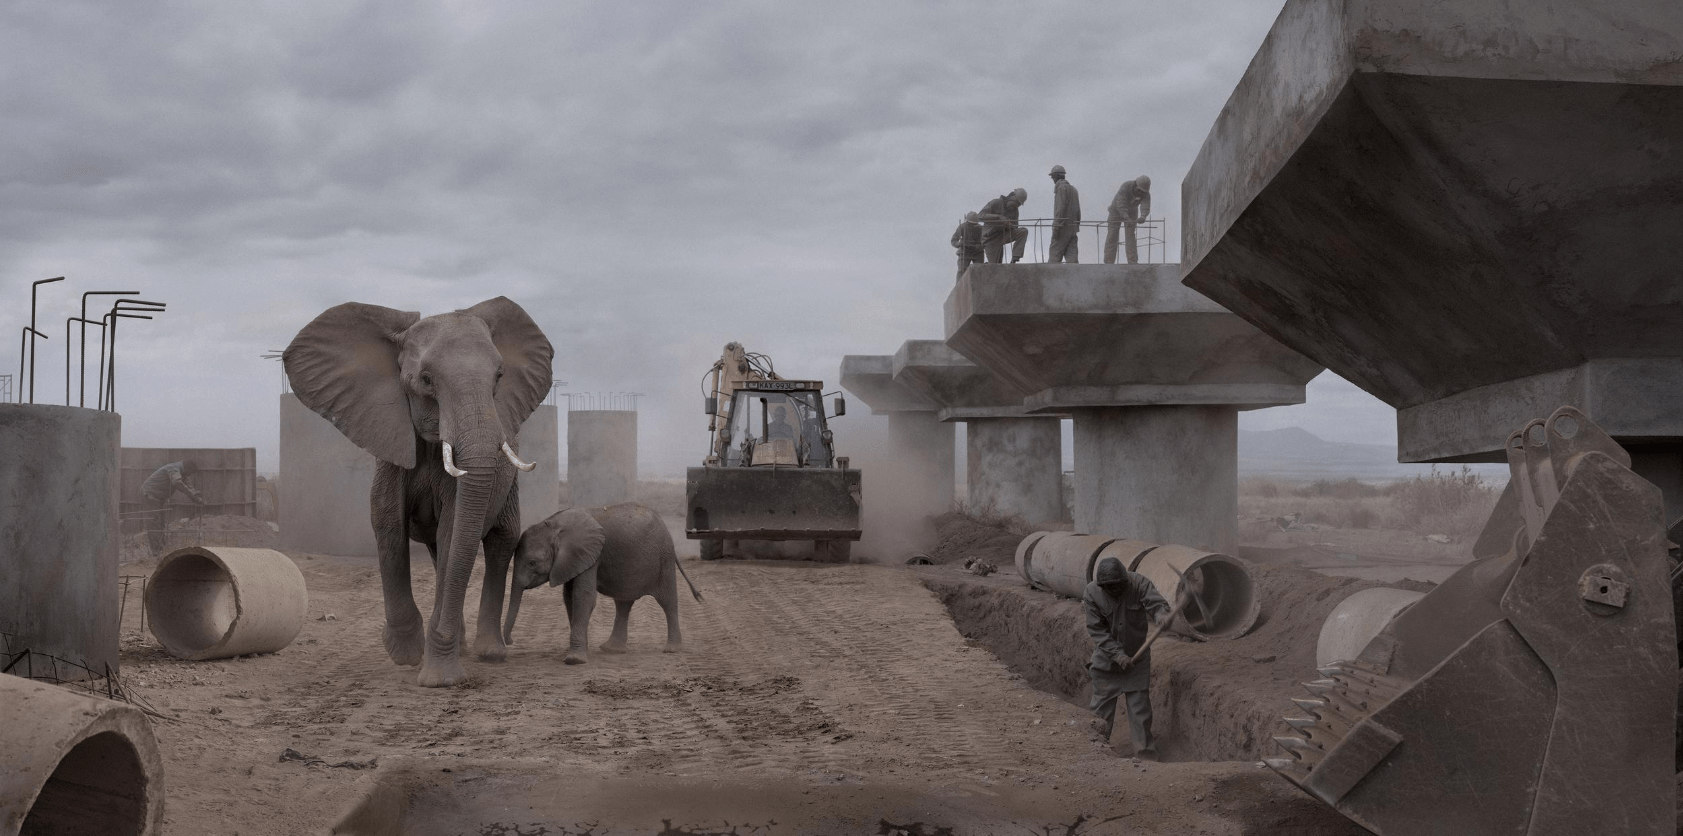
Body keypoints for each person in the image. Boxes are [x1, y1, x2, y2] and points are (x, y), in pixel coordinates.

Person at [1084, 555, 1171, 758]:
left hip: (1137, 661)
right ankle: (1096, 755)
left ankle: (1146, 757)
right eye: (1110, 587)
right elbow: (1097, 631)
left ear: (1125, 580)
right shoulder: (1091, 593)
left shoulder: (1138, 583)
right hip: (1106, 663)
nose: (1115, 590)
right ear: (1102, 586)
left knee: (1140, 712)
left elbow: (1156, 603)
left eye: (1119, 585)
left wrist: (1161, 614)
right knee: (1100, 715)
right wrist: (1117, 655)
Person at [142, 459, 205, 555]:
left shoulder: (183, 473)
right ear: (186, 469)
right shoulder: (174, 469)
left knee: (161, 524)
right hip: (150, 495)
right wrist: (193, 495)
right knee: (154, 524)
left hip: (159, 498)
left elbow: (190, 487)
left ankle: (162, 550)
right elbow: (177, 483)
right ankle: (157, 554)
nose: (189, 476)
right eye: (189, 473)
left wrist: (196, 498)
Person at [1104, 175, 1151, 264]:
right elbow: (1121, 204)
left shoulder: (1145, 192)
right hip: (1116, 212)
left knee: (1130, 237)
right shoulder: (1126, 186)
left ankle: (1132, 262)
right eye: (1139, 190)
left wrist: (1143, 216)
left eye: (1143, 192)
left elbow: (1146, 205)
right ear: (1135, 184)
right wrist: (1126, 218)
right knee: (1112, 236)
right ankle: (1108, 262)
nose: (1140, 193)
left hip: (1132, 213)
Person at [977, 187, 1029, 264]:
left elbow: (1015, 227)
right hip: (990, 239)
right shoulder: (996, 203)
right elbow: (979, 216)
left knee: (1023, 231)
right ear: (1012, 196)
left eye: (1018, 205)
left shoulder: (1014, 211)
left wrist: (1008, 225)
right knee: (995, 266)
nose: (1016, 206)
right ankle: (987, 266)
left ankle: (1015, 258)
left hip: (1003, 236)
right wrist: (997, 217)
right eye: (1016, 202)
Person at [1048, 165, 1080, 263]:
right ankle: (1074, 277)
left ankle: (1052, 277)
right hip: (1073, 227)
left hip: (1062, 227)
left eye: (1053, 177)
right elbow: (1077, 210)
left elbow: (1060, 208)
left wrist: (1057, 226)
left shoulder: (1061, 188)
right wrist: (1077, 225)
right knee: (1072, 257)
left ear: (1055, 177)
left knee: (1055, 255)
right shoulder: (1073, 189)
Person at [951, 211, 984, 280]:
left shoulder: (981, 228)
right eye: (971, 224)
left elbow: (985, 240)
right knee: (962, 271)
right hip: (965, 252)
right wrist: (959, 244)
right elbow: (954, 240)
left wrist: (980, 245)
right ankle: (959, 289)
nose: (972, 226)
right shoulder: (963, 227)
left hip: (978, 252)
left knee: (979, 271)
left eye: (974, 224)